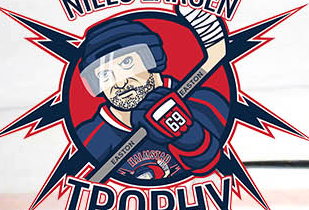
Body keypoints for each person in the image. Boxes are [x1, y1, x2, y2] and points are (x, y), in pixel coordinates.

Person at [73, 15, 229, 182]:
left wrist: (189, 137)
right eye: (104, 74)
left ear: (152, 59)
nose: (120, 83)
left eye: (127, 63)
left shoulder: (206, 104)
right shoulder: (89, 137)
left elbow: (218, 167)